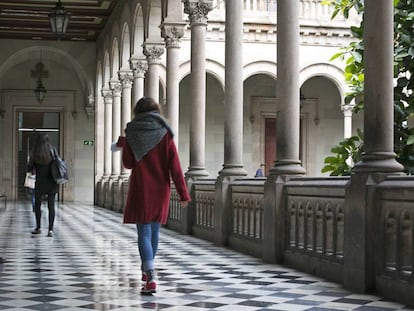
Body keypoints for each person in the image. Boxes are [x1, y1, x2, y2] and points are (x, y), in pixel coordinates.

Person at [120, 97, 191, 295]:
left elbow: (128, 164)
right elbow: (175, 166)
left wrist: (126, 146)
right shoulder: (165, 133)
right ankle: (148, 268)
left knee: (143, 233)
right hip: (160, 189)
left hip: (141, 188)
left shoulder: (132, 132)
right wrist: (184, 193)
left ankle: (149, 272)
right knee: (155, 231)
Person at [27, 134, 58, 237]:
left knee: (37, 205)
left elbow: (30, 168)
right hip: (52, 182)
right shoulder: (52, 150)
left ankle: (38, 227)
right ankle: (50, 230)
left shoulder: (36, 152)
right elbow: (58, 163)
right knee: (51, 206)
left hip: (40, 183)